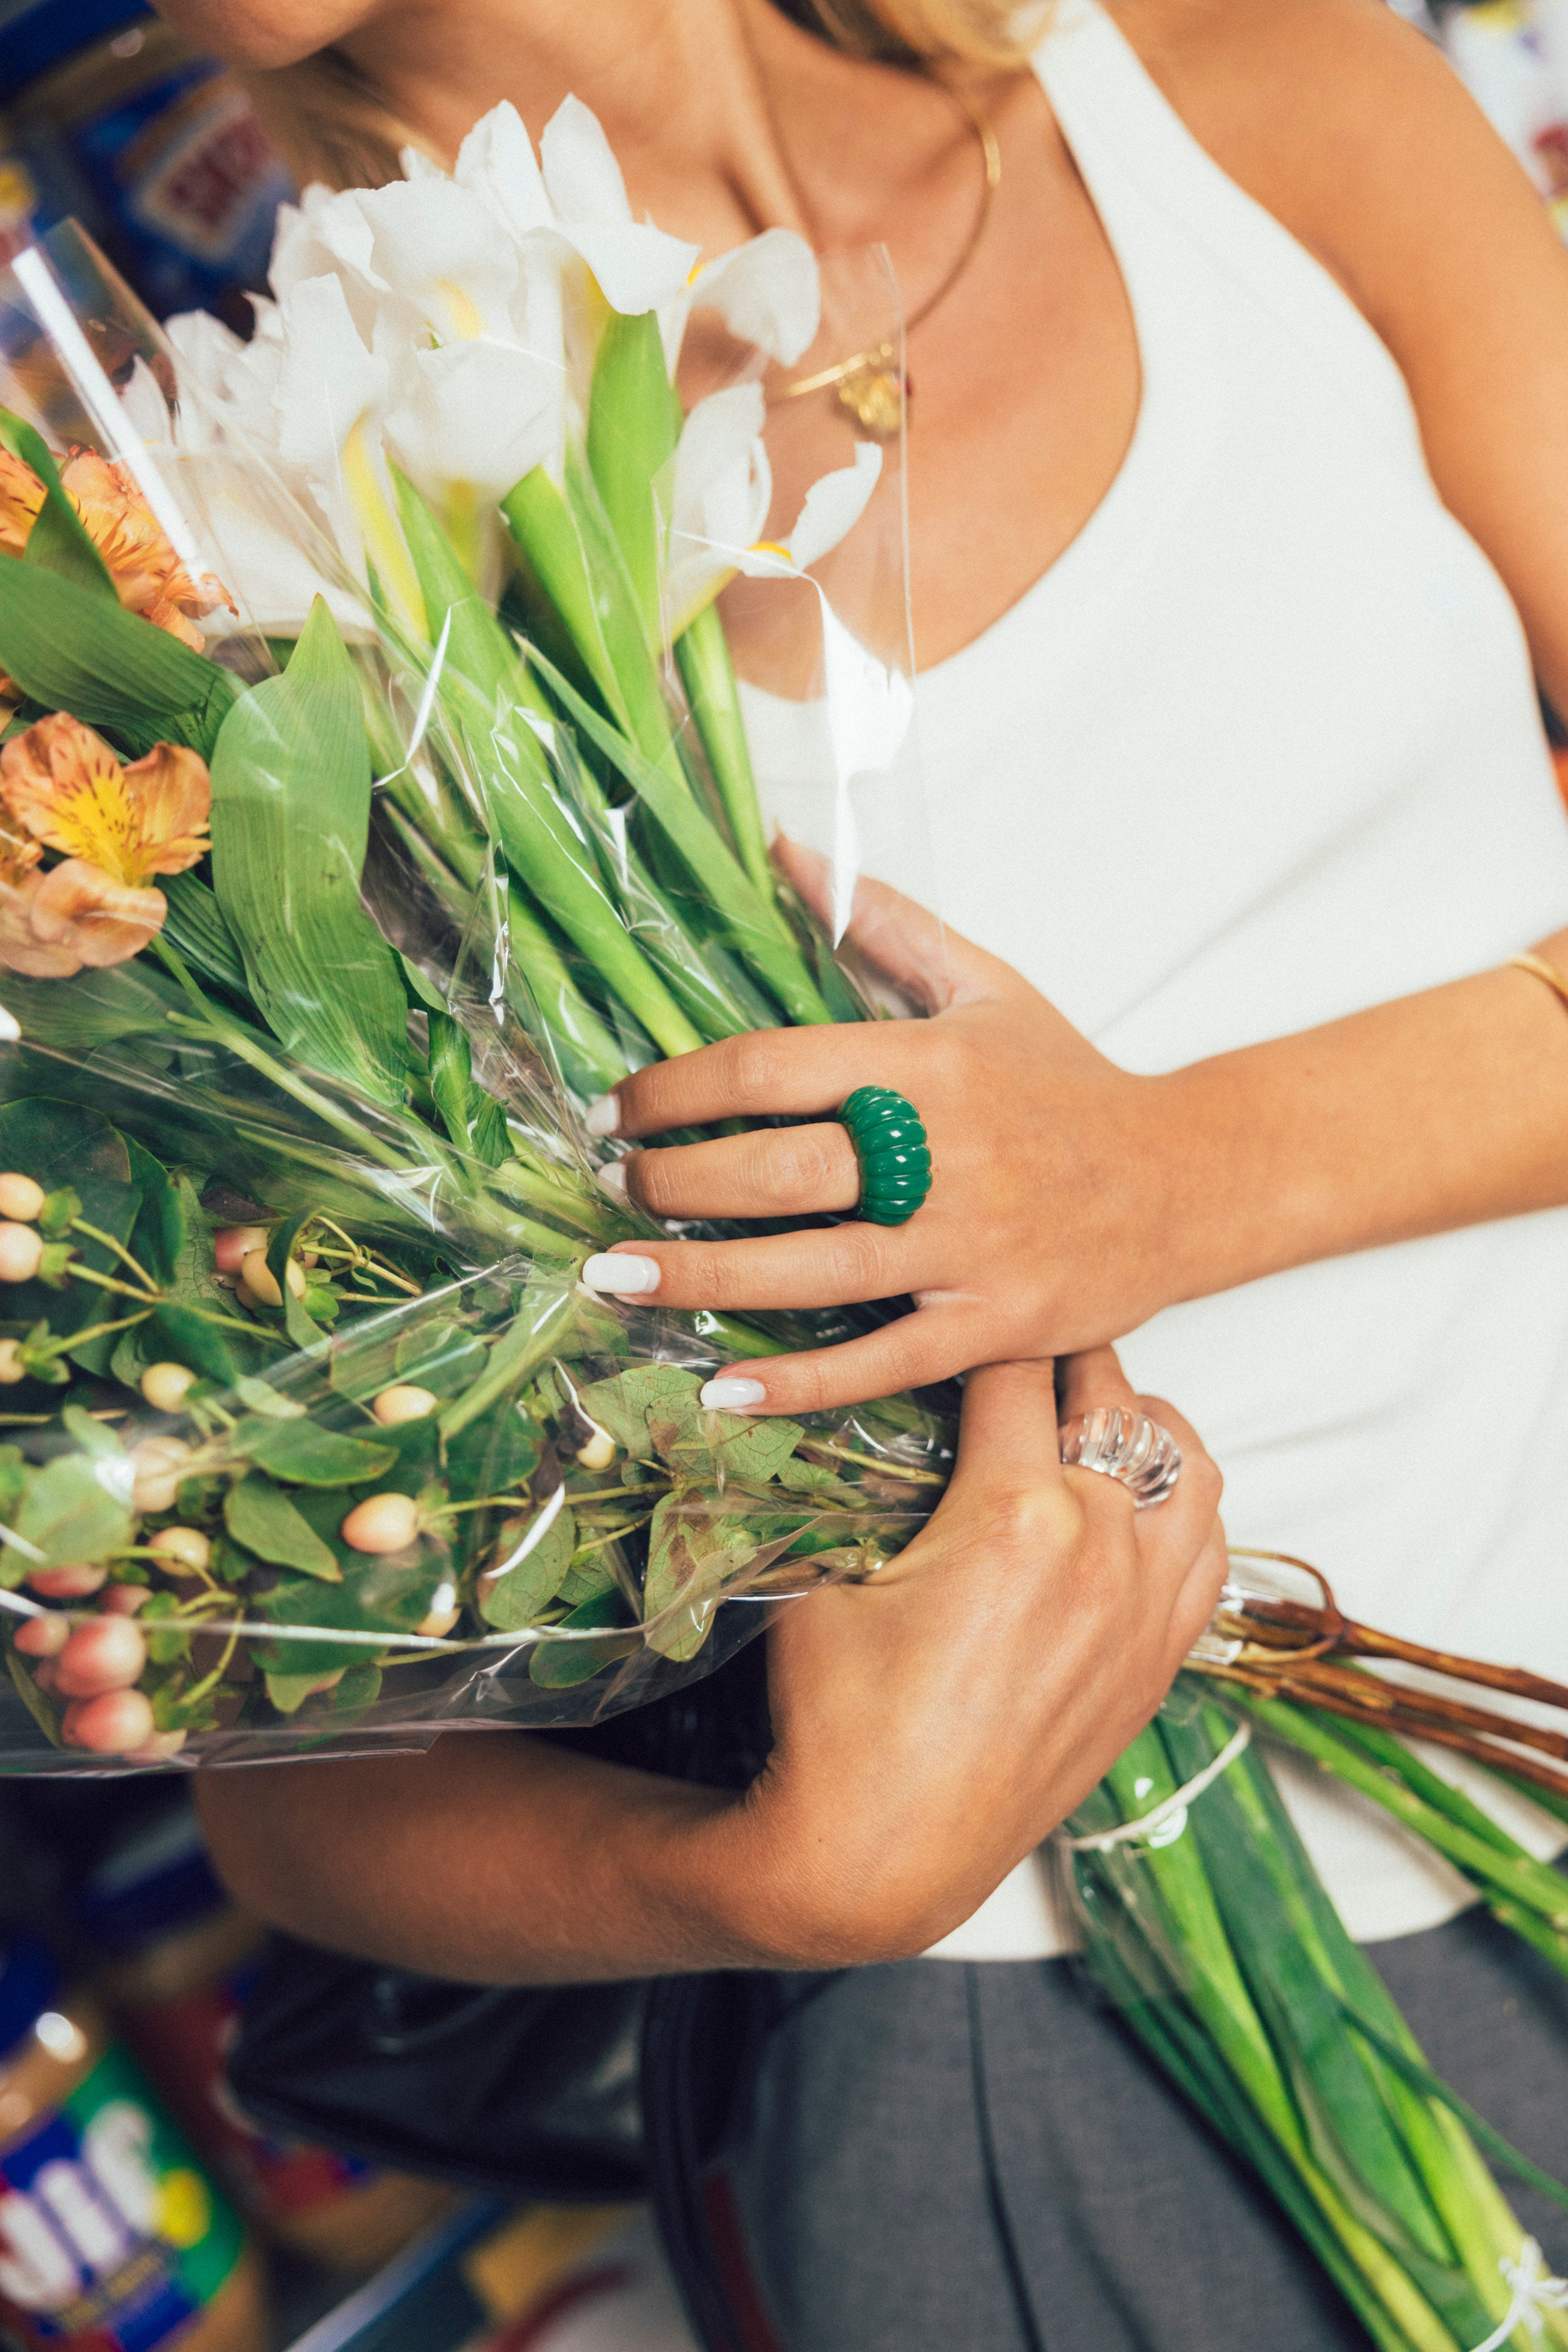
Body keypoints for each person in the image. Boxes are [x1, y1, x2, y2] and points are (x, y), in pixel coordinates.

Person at [63, 0, 1568, 2341]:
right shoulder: (236, 570)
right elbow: (287, 1749)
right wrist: (777, 1885)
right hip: (1022, 2079)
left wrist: (1169, 1177)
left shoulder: (1238, 94)